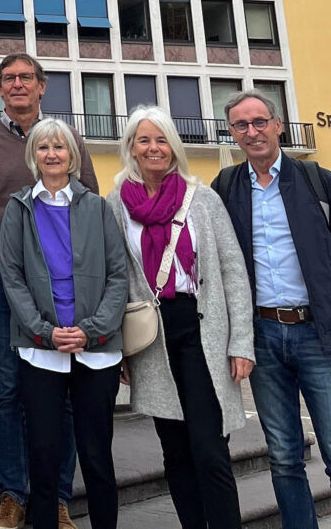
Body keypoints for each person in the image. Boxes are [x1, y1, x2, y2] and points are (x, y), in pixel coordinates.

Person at [0, 53, 97, 529]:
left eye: (25, 78)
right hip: (0, 280)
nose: (17, 85)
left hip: (61, 284)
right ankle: (12, 494)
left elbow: (89, 202)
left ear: (42, 86)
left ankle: (55, 497)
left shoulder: (65, 139)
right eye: (8, 78)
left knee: (63, 389)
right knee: (9, 388)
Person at [106, 105, 253, 529]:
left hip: (203, 330)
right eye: (144, 139)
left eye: (162, 139)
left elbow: (232, 270)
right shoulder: (117, 203)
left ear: (174, 145)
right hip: (152, 335)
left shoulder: (202, 198)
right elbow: (117, 278)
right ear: (131, 147)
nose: (154, 148)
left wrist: (241, 341)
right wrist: (121, 351)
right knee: (175, 451)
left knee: (210, 449)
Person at [0, 118, 127, 529]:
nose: (52, 155)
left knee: (95, 454)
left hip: (97, 348)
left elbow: (118, 275)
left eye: (60, 147)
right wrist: (43, 329)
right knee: (43, 451)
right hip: (40, 348)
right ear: (32, 156)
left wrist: (91, 329)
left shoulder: (98, 207)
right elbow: (12, 277)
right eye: (43, 148)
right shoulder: (18, 209)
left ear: (73, 156)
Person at [212, 91, 331, 528]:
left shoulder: (317, 180)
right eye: (241, 125)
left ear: (278, 125)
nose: (252, 131)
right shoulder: (225, 187)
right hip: (261, 336)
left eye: (260, 121)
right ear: (232, 133)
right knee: (283, 456)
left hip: (318, 333)